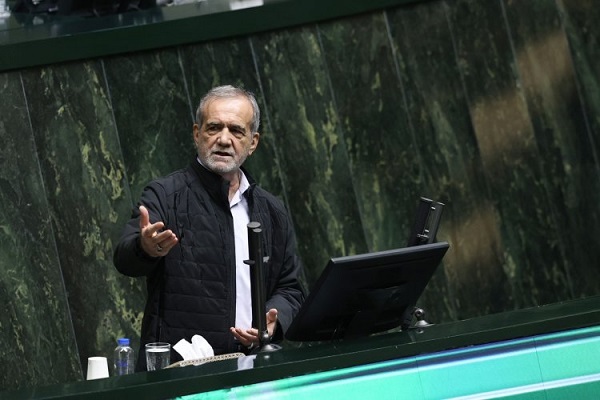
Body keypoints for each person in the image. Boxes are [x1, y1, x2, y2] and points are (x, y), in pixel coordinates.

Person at [113, 85, 305, 371]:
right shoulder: (165, 195)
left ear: (253, 142)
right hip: (181, 374)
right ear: (196, 134)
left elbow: (291, 289)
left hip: (255, 370)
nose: (224, 140)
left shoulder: (271, 210)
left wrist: (272, 322)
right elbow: (125, 259)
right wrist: (145, 248)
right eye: (214, 128)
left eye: (236, 131)